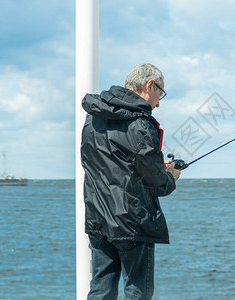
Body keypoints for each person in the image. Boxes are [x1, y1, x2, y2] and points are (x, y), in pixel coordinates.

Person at [80, 63, 180, 300]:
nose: (158, 102)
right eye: (160, 93)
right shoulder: (140, 122)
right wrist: (171, 176)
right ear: (149, 86)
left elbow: (105, 162)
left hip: (98, 217)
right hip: (132, 221)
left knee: (101, 287)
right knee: (138, 291)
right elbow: (157, 182)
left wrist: (154, 167)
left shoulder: (93, 117)